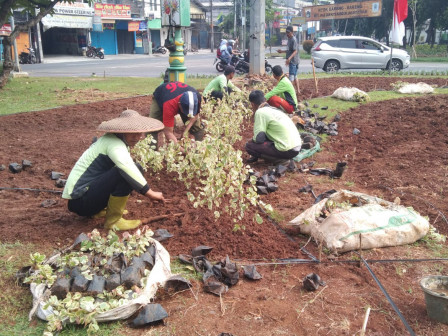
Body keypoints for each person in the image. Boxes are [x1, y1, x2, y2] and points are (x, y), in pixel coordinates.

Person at [62, 109, 166, 231]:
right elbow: (127, 168)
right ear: (121, 131)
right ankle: (114, 221)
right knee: (127, 172)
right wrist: (150, 193)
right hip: (80, 201)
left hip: (82, 199)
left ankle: (99, 210)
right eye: (132, 132)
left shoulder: (110, 140)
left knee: (134, 169)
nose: (137, 137)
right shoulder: (114, 144)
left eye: (139, 133)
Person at [245, 90, 302, 165]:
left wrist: (251, 140)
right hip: (297, 147)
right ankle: (281, 157)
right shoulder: (275, 110)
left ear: (252, 104)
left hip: (287, 150)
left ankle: (281, 161)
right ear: (265, 100)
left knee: (249, 146)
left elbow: (259, 139)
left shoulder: (260, 112)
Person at [277, 26, 300, 93]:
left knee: (291, 77)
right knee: (295, 76)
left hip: (293, 61)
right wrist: (281, 51)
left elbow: (295, 51)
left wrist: (289, 59)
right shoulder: (289, 39)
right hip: (292, 60)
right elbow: (289, 50)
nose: (287, 34)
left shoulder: (293, 39)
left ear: (292, 32)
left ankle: (291, 92)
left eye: (288, 33)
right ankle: (298, 91)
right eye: (286, 32)